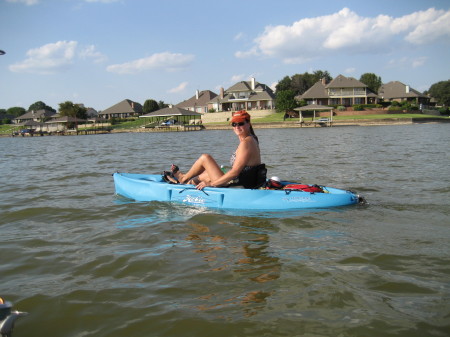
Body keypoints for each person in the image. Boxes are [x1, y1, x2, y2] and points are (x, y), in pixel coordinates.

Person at [168, 110, 266, 190]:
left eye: (240, 123)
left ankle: (183, 179)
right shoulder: (251, 139)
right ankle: (186, 183)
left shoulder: (246, 143)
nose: (237, 127)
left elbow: (235, 172)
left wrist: (211, 184)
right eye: (234, 124)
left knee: (205, 158)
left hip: (241, 187)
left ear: (248, 124)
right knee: (206, 174)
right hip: (246, 182)